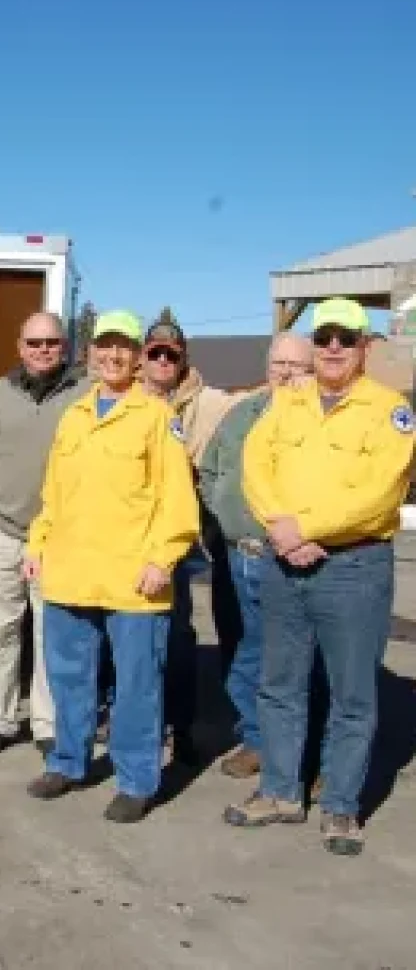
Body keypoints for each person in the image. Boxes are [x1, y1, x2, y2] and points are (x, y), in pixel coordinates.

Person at [224, 298, 414, 857]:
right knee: (280, 684)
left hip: (354, 567)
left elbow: (381, 491)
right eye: (324, 336)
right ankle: (281, 791)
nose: (333, 346)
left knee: (352, 694)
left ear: (365, 347)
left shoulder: (390, 410)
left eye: (345, 337)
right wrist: (282, 529)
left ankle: (341, 808)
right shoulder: (287, 404)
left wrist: (306, 527)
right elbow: (256, 467)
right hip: (285, 563)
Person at [23, 310, 199, 822]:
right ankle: (68, 762)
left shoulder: (157, 417)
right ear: (90, 353)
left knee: (137, 685)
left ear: (139, 357)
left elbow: (177, 500)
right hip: (70, 570)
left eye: (123, 348)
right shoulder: (74, 415)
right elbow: (54, 494)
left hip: (133, 579)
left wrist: (163, 559)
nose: (113, 356)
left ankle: (137, 779)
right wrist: (37, 544)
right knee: (69, 677)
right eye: (104, 347)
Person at [0, 311, 90, 757]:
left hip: (60, 538)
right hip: (1, 532)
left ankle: (48, 724)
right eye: (34, 342)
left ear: (64, 347)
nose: (42, 350)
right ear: (19, 347)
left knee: (53, 633)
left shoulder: (86, 396)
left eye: (51, 342)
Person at [197, 332, 314, 779]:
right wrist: (225, 514)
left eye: (297, 366)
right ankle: (255, 739)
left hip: (284, 557)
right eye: (279, 363)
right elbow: (209, 470)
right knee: (241, 653)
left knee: (291, 657)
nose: (286, 372)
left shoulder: (316, 421)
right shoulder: (241, 414)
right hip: (234, 555)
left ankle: (301, 750)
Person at [138, 314, 235, 764]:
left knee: (176, 635)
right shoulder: (124, 398)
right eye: (153, 352)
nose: (161, 360)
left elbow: (254, 404)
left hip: (177, 538)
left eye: (169, 354)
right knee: (129, 638)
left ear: (182, 360)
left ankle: (181, 727)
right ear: (142, 357)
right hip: (128, 536)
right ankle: (133, 723)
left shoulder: (211, 403)